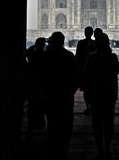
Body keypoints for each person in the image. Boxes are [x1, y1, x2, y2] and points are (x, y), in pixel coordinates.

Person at [83, 32, 119, 159]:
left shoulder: (91, 57)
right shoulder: (113, 57)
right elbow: (116, 71)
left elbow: (86, 74)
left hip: (96, 93)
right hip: (109, 93)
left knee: (97, 123)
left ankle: (100, 149)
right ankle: (108, 148)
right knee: (109, 121)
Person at [42, 31, 78, 159]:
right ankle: (63, 148)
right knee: (66, 121)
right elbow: (75, 75)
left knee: (52, 121)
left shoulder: (46, 56)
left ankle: (53, 145)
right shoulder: (68, 56)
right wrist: (72, 89)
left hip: (51, 94)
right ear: (63, 42)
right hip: (65, 94)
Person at [75, 26, 96, 115]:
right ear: (92, 33)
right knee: (93, 90)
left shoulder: (81, 43)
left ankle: (88, 106)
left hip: (84, 70)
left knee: (86, 90)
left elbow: (77, 56)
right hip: (93, 70)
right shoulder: (95, 43)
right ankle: (93, 106)